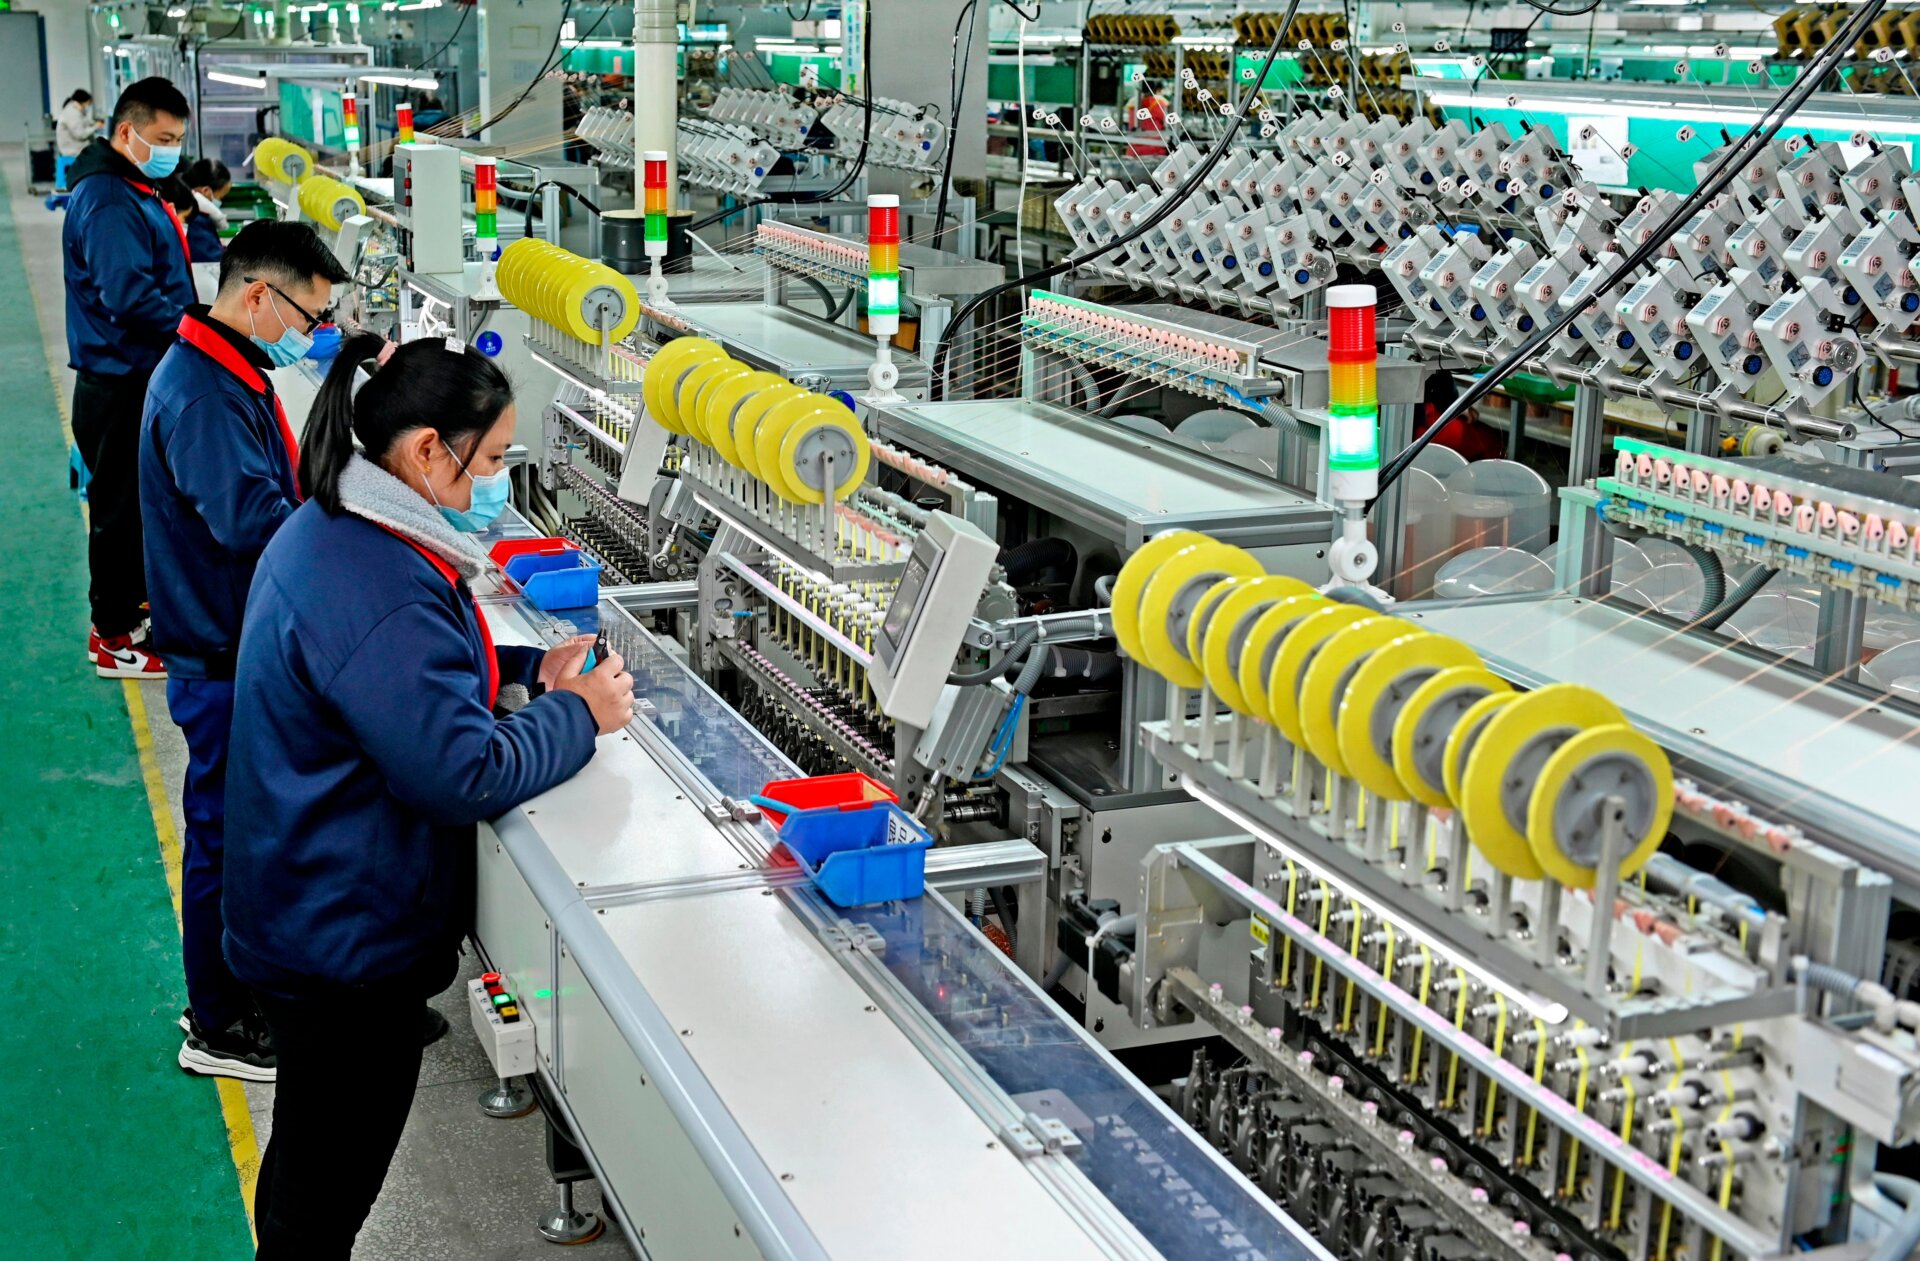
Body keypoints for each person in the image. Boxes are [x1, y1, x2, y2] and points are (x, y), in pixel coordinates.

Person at [224, 333, 634, 1258]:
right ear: (425, 452)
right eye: (489, 459)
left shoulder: (343, 527)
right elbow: (462, 770)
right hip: (343, 944)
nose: (496, 479)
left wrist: (529, 666)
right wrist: (577, 714)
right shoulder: (381, 580)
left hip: (303, 901)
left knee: (308, 1164)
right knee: (319, 1198)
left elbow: (401, 682)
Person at [139, 221, 351, 1082]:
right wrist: (358, 538)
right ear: (259, 294)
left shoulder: (231, 370)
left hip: (236, 636)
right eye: (308, 316)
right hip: (220, 651)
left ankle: (247, 990)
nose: (310, 334)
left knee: (249, 831)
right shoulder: (201, 394)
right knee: (224, 835)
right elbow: (251, 523)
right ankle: (218, 1022)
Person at [63, 76, 195, 678]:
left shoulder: (133, 186)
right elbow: (128, 297)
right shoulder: (110, 198)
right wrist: (203, 333)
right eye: (162, 138)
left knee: (136, 506)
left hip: (132, 374)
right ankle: (111, 636)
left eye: (177, 139)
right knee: (117, 511)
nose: (171, 149)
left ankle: (131, 609)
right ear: (126, 131)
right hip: (118, 381)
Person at [182, 158, 233, 263]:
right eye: (220, 197)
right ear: (206, 191)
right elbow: (211, 258)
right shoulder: (195, 220)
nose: (219, 202)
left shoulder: (198, 216)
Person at [55, 89, 99, 157]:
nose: (88, 107)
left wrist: (94, 124)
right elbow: (80, 134)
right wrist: (95, 127)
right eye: (88, 104)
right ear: (81, 102)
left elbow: (84, 121)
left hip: (76, 147)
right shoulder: (71, 113)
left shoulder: (75, 111)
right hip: (73, 150)